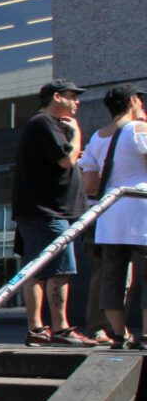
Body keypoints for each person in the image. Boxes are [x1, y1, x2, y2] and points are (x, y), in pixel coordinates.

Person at [12, 78, 98, 346]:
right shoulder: (44, 123)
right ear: (57, 97)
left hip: (44, 211)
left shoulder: (44, 125)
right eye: (73, 96)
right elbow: (65, 159)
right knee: (57, 271)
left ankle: (38, 330)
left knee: (37, 270)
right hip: (47, 213)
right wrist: (76, 135)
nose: (77, 102)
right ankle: (58, 328)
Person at [78, 83, 147, 349]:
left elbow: (90, 186)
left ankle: (118, 335)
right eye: (140, 100)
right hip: (140, 214)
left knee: (112, 278)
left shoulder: (96, 137)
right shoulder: (139, 130)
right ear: (132, 102)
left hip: (109, 216)